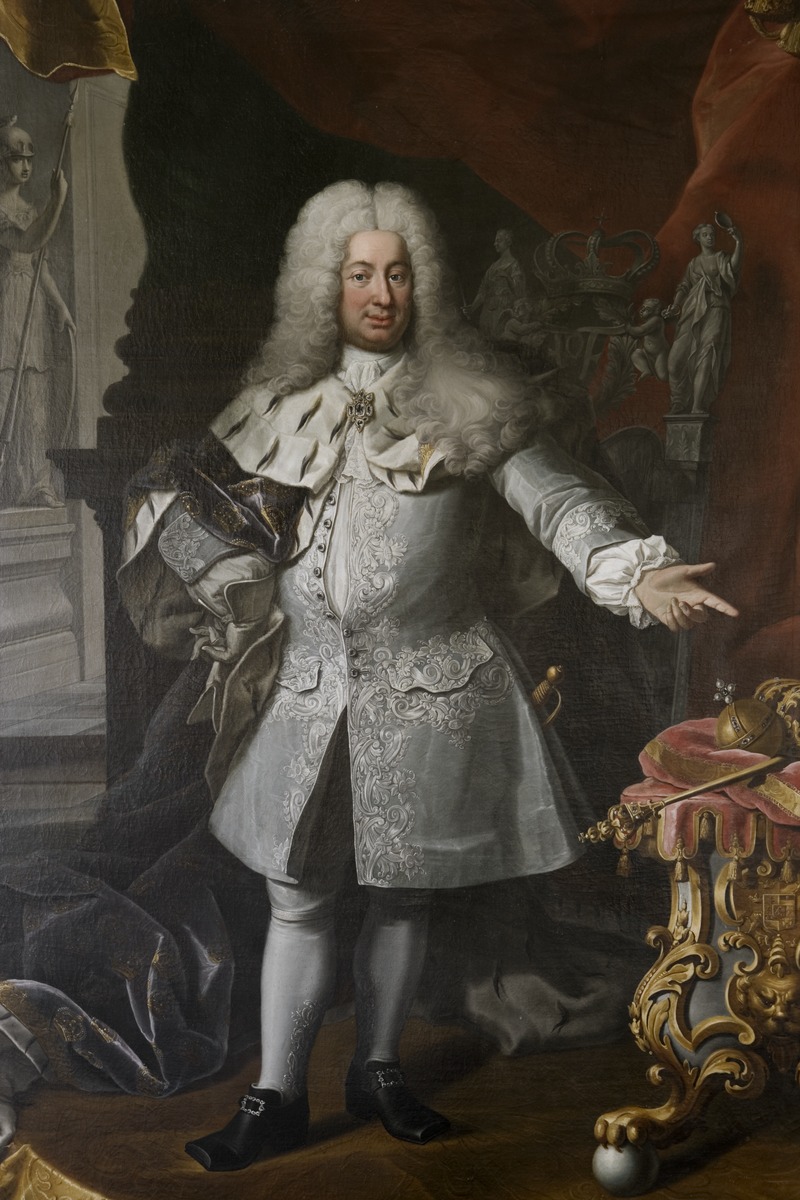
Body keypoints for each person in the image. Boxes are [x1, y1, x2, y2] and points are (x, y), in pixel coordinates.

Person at [115, 180, 736, 1172]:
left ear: (424, 285)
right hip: (303, 690)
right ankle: (278, 1097)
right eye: (360, 273)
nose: (380, 292)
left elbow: (559, 502)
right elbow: (185, 511)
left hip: (430, 687)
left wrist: (636, 570)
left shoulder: (470, 403)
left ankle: (377, 1070)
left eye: (397, 273)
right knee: (297, 896)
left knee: (401, 896)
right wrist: (221, 572)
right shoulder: (275, 406)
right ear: (324, 285)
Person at [0, 116, 73, 508]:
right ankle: (7, 482)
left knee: (36, 399)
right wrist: (57, 201)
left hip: (29, 303)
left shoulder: (29, 209)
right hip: (4, 307)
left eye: (29, 157)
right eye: (17, 158)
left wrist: (59, 304)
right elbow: (26, 242)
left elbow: (38, 263)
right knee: (4, 393)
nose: (26, 165)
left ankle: (37, 482)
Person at [665, 219, 742, 415]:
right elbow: (684, 286)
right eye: (705, 235)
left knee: (707, 354)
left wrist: (739, 242)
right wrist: (675, 306)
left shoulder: (720, 257)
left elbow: (732, 269)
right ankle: (678, 401)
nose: (710, 238)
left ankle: (697, 405)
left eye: (712, 235)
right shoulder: (693, 264)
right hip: (692, 311)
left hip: (716, 309)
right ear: (697, 238)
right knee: (675, 359)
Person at [463, 227, 528, 342]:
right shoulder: (492, 267)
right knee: (486, 343)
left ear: (508, 242)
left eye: (498, 240)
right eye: (495, 241)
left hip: (504, 313)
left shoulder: (514, 265)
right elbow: (483, 291)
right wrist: (472, 308)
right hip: (487, 314)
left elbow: (520, 293)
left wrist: (507, 277)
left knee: (501, 343)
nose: (495, 244)